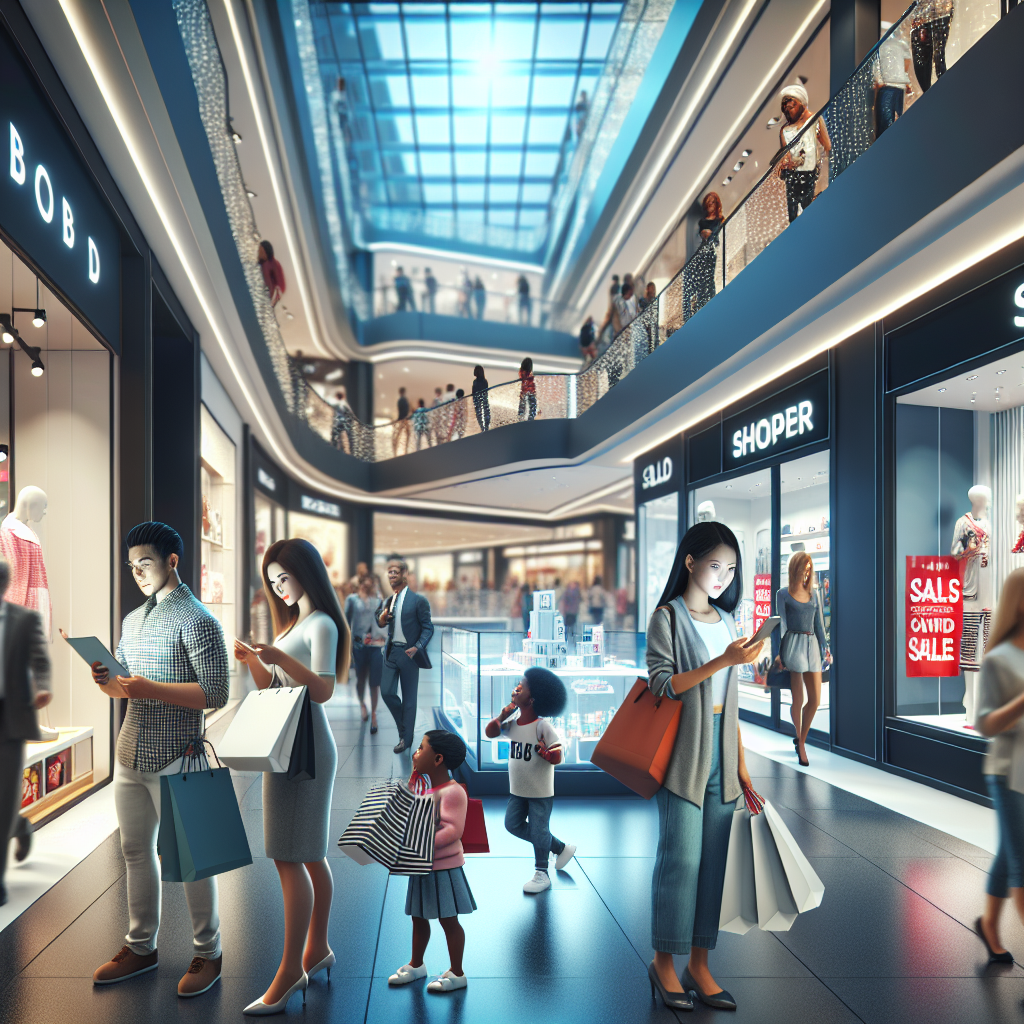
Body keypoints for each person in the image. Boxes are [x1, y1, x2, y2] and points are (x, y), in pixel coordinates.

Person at [91, 522, 229, 997]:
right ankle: (141, 946)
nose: (138, 574)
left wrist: (147, 688)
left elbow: (216, 692)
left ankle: (208, 953)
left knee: (192, 859)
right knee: (134, 852)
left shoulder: (199, 620)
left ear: (172, 560)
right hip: (129, 751)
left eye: (144, 564)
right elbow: (123, 687)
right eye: (132, 567)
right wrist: (106, 679)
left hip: (178, 755)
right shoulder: (133, 620)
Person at [645, 522, 764, 1012]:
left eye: (731, 568)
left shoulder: (727, 621)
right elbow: (661, 685)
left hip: (722, 749)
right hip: (682, 751)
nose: (723, 577)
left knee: (715, 862)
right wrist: (723, 661)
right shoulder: (667, 618)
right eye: (716, 565)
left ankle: (699, 964)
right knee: (682, 861)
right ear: (690, 562)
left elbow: (730, 701)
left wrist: (740, 763)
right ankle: (664, 964)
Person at [233, 538, 351, 1015]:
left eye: (285, 577)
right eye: (273, 581)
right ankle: (317, 948)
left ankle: (289, 972)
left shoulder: (321, 623)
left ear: (307, 572)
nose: (279, 587)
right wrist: (257, 664)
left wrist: (279, 658)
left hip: (305, 747)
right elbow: (275, 689)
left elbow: (322, 689)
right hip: (286, 740)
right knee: (308, 854)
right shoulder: (296, 624)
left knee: (289, 854)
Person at [389, 730, 476, 992]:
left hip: (444, 868)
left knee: (449, 920)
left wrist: (420, 841)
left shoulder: (453, 792)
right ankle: (417, 964)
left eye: (421, 748)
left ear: (438, 759)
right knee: (418, 917)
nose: (415, 753)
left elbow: (453, 829)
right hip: (422, 865)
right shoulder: (425, 789)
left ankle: (457, 972)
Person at [484, 668, 576, 893]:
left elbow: (558, 752)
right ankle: (559, 847)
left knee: (539, 828)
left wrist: (548, 754)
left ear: (532, 699)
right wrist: (503, 715)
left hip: (540, 791)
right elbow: (490, 732)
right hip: (518, 789)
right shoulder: (513, 724)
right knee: (512, 824)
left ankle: (541, 873)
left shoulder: (541, 726)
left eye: (521, 687)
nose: (516, 688)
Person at [974, 567, 1024, 966]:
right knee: (1021, 863)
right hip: (1008, 772)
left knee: (1009, 856)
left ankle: (989, 924)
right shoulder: (998, 660)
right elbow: (985, 724)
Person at [0, 556, 51, 905]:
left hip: (11, 717)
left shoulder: (24, 619)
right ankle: (17, 825)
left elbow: (40, 658)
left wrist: (43, 685)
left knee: (4, 792)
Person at [377, 558, 434, 754]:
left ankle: (405, 739)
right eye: (389, 572)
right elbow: (380, 621)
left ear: (404, 574)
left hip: (410, 654)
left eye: (395, 572)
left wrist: (418, 647)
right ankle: (405, 727)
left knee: (409, 699)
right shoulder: (388, 600)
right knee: (386, 692)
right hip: (392, 652)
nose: (391, 575)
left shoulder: (418, 601)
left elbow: (428, 628)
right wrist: (382, 618)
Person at [776, 552, 828, 767]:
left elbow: (819, 624)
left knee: (815, 699)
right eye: (803, 567)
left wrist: (826, 647)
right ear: (795, 568)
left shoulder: (814, 594)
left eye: (809, 568)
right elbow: (783, 625)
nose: (807, 572)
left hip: (812, 645)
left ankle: (801, 739)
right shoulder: (783, 594)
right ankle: (802, 743)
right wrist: (781, 652)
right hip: (794, 644)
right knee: (797, 700)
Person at [777, 83, 831, 224]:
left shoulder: (814, 120)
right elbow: (786, 156)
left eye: (791, 105)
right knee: (794, 216)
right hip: (794, 176)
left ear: (800, 102)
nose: (787, 109)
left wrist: (823, 181)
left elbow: (827, 147)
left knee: (812, 213)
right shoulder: (785, 130)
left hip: (812, 174)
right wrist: (786, 164)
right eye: (785, 107)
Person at [346, 576, 385, 733]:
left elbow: (384, 620)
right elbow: (346, 621)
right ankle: (362, 704)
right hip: (359, 644)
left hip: (376, 644)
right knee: (361, 678)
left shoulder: (378, 599)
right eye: (365, 585)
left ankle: (374, 713)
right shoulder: (353, 599)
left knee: (375, 682)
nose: (367, 587)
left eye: (371, 585)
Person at [685, 192, 724, 322]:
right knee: (701, 279)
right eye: (708, 202)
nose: (710, 205)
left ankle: (710, 301)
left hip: (712, 251)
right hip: (702, 251)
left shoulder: (720, 220)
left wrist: (711, 235)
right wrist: (704, 235)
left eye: (712, 202)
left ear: (716, 203)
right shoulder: (702, 221)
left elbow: (719, 238)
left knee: (709, 277)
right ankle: (701, 303)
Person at [873, 21, 913, 138]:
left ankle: (887, 143)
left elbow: (877, 64)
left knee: (886, 120)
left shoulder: (885, 46)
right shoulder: (898, 46)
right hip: (894, 86)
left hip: (889, 86)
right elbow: (904, 65)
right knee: (892, 118)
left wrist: (879, 80)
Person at [910, 0, 953, 94]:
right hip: (924, 17)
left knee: (939, 55)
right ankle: (931, 93)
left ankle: (944, 91)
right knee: (923, 59)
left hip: (942, 13)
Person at [258, 240, 286, 307]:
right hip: (278, 294)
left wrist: (269, 301)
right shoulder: (275, 262)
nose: (259, 253)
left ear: (265, 253)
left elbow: (269, 285)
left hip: (274, 296)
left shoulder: (266, 265)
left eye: (261, 251)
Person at [331, 389, 354, 455]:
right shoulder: (344, 404)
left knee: (335, 436)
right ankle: (349, 450)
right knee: (347, 437)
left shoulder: (339, 404)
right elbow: (350, 413)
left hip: (339, 423)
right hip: (344, 423)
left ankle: (334, 448)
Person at [471, 365, 490, 433]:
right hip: (481, 401)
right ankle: (483, 428)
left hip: (480, 401)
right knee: (482, 413)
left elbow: (474, 392)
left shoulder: (479, 381)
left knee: (482, 413)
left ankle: (484, 428)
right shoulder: (482, 381)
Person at [393, 387, 411, 456]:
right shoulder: (404, 400)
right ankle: (404, 450)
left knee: (399, 434)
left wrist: (399, 419)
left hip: (402, 419)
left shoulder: (401, 400)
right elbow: (404, 410)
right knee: (405, 434)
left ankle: (399, 450)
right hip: (404, 419)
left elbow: (401, 410)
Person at [518, 357, 537, 421]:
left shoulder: (521, 372)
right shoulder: (528, 374)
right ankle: (529, 420)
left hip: (525, 391)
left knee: (523, 407)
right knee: (532, 407)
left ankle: (521, 419)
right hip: (530, 391)